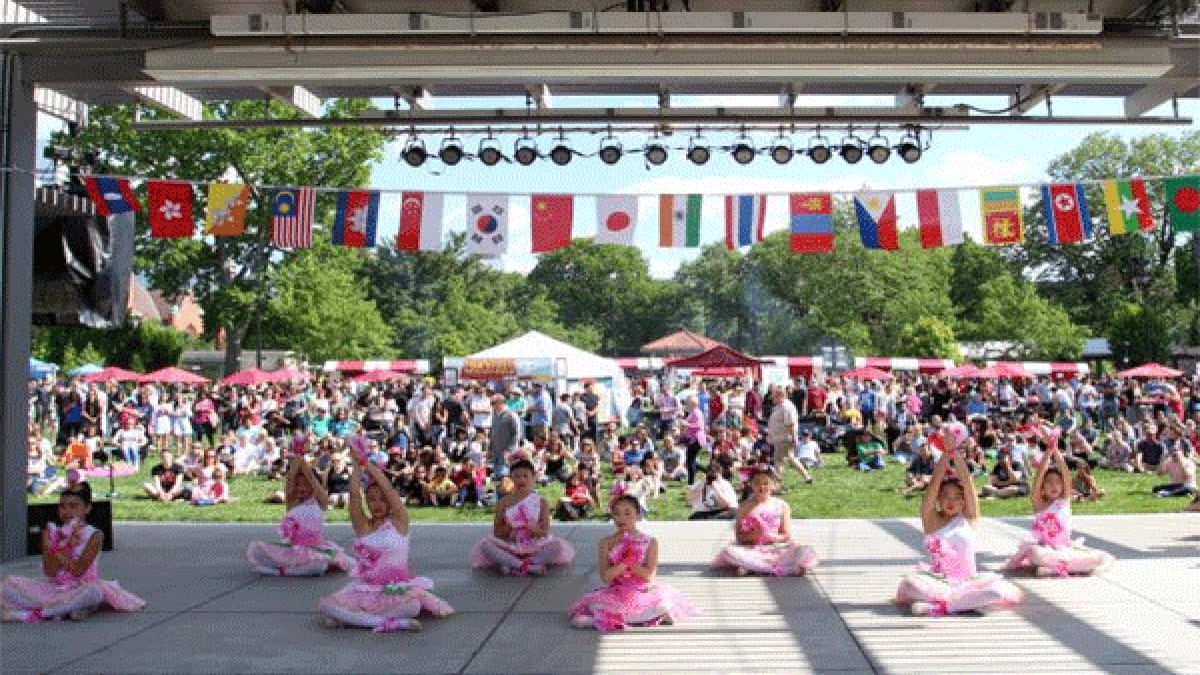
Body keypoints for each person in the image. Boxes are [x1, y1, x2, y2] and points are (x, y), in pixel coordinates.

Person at [318, 460, 453, 632]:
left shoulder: (399, 523)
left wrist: (368, 463)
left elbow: (389, 490)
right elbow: (354, 496)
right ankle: (381, 622)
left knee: (413, 606)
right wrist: (357, 467)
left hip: (394, 587)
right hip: (367, 588)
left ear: (389, 501)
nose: (377, 504)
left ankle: (353, 619)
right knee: (326, 606)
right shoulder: (363, 526)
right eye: (372, 500)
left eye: (382, 499)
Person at [895, 447, 1022, 617]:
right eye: (946, 496)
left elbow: (968, 482)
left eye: (956, 497)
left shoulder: (969, 519)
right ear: (938, 498)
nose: (951, 501)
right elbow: (933, 485)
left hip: (968, 582)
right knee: (911, 584)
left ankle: (942, 607)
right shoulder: (931, 521)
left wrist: (955, 452)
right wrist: (946, 455)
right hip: (938, 581)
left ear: (964, 501)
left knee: (997, 592)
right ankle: (957, 603)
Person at [2, 483, 145, 622]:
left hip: (81, 586)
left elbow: (78, 571)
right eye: (62, 506)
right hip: (54, 587)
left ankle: (41, 614)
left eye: (74, 506)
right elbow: (50, 571)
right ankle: (67, 609)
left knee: (94, 592)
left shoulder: (94, 535)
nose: (67, 511)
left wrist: (63, 548)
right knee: (7, 587)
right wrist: (57, 545)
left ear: (87, 508)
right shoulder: (52, 532)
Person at [568, 494, 697, 632]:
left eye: (627, 513)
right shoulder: (605, 542)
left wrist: (632, 564)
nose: (621, 518)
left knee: (663, 604)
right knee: (594, 605)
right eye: (616, 514)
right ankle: (639, 618)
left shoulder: (650, 542)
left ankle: (618, 618)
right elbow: (605, 577)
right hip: (616, 593)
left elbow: (649, 576)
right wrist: (622, 564)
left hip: (641, 592)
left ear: (638, 515)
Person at [1005, 447, 1114, 577]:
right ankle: (1067, 567)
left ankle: (1057, 568)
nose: (1054, 486)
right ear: (1043, 487)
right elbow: (1038, 479)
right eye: (1049, 483)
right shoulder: (1040, 505)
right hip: (1045, 550)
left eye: (1057, 483)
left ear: (1063, 486)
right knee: (1033, 552)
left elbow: (1065, 473)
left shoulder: (1064, 502)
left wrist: (1055, 449)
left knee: (1105, 556)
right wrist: (1047, 453)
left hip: (1064, 549)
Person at [246, 454, 353, 576]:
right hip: (296, 549)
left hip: (315, 548)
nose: (302, 488)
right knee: (259, 551)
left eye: (306, 485)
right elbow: (290, 478)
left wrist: (305, 467)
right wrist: (299, 458)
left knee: (321, 565)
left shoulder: (320, 502)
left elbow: (314, 480)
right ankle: (286, 570)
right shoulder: (293, 504)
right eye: (298, 485)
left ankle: (291, 570)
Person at [470, 459, 574, 576]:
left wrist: (533, 529)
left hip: (534, 545)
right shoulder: (504, 502)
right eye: (517, 476)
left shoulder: (541, 502)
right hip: (511, 545)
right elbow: (497, 533)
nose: (521, 480)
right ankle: (524, 566)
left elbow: (545, 532)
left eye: (525, 476)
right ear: (511, 478)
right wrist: (508, 528)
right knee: (486, 545)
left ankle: (517, 564)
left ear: (533, 477)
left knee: (557, 546)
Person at [713, 468, 818, 576]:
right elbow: (739, 537)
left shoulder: (782, 506)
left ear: (773, 485)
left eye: (766, 483)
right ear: (751, 485)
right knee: (729, 552)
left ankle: (753, 567)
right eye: (757, 483)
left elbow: (786, 535)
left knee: (805, 551)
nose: (762, 487)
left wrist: (770, 536)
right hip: (752, 549)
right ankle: (785, 569)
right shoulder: (744, 507)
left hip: (777, 548)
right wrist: (755, 535)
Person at [488, 395, 521, 481]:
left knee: (504, 476)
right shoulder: (495, 415)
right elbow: (492, 432)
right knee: (497, 476)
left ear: (500, 403)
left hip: (507, 452)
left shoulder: (511, 415)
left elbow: (516, 434)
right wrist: (490, 448)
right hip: (496, 451)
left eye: (493, 403)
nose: (492, 406)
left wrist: (509, 450)